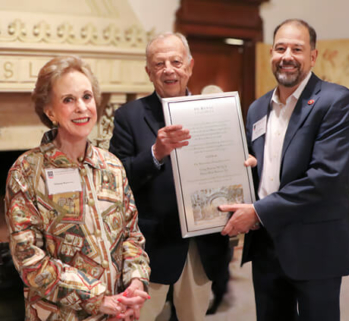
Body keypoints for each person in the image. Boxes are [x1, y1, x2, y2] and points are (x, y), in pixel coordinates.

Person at [218, 19, 349, 321]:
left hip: (315, 245)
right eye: (281, 48)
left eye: (297, 49)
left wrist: (256, 212)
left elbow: (327, 177)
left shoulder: (337, 102)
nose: (287, 56)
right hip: (267, 244)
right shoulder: (257, 109)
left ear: (313, 56)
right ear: (270, 53)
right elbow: (254, 163)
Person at [5, 55, 151, 321]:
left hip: (118, 312)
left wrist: (135, 283)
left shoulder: (112, 166)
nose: (82, 107)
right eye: (68, 100)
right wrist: (96, 298)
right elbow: (28, 259)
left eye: (87, 96)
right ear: (50, 112)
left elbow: (131, 236)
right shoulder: (26, 170)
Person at [109, 32, 231, 321]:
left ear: (189, 66)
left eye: (176, 61)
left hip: (201, 242)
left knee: (193, 316)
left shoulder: (214, 113)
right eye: (159, 63)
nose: (169, 69)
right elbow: (116, 179)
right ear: (149, 72)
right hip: (150, 245)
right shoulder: (129, 116)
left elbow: (230, 166)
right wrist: (155, 152)